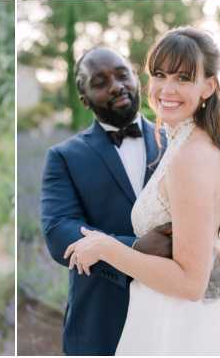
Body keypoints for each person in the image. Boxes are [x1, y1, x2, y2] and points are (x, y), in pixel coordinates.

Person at [64, 28, 220, 356]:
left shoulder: (191, 158)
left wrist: (109, 249)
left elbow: (190, 282)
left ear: (208, 86)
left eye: (183, 77)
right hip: (169, 317)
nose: (167, 89)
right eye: (159, 75)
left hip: (180, 330)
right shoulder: (189, 141)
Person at [41, 47, 171, 355]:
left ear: (136, 79)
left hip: (173, 311)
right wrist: (135, 249)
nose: (115, 85)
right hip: (101, 321)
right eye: (100, 82)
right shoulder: (64, 157)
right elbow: (60, 232)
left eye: (122, 74)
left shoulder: (177, 141)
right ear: (84, 99)